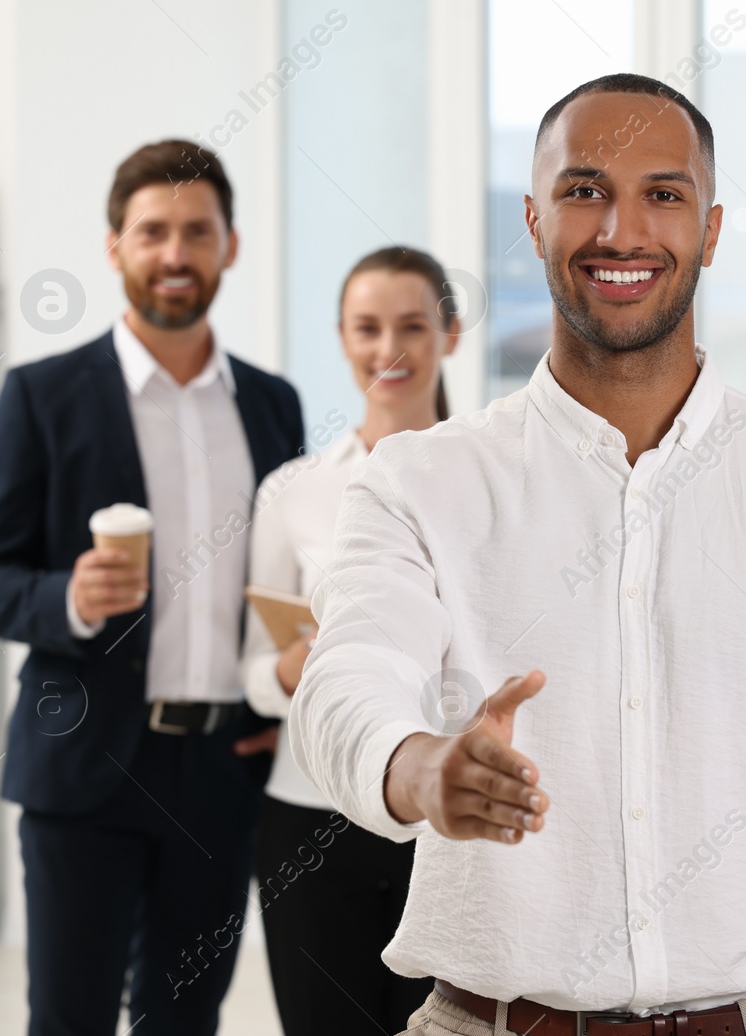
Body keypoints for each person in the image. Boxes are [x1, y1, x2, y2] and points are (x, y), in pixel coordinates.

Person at [286, 73, 746, 1036]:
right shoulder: (418, 483)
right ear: (532, 219)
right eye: (583, 191)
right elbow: (344, 678)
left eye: (664, 192)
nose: (621, 231)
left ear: (713, 226)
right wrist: (416, 765)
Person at [0, 140, 305, 1035]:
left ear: (230, 244)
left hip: (223, 773)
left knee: (185, 1019)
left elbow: (284, 575)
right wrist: (70, 598)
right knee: (69, 1019)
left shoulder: (271, 404)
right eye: (153, 231)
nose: (176, 254)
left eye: (198, 231)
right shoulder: (42, 397)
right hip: (85, 771)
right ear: (115, 246)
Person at [241, 246, 457, 1034]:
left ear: (450, 335)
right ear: (341, 337)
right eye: (368, 327)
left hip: (443, 814)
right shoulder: (294, 491)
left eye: (411, 325)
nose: (388, 348)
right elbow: (254, 674)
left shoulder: (491, 474)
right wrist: (290, 671)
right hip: (312, 814)